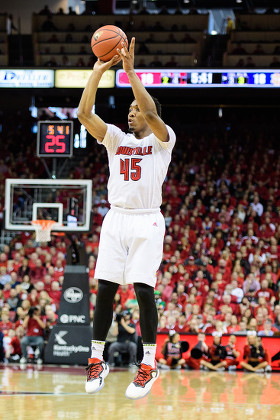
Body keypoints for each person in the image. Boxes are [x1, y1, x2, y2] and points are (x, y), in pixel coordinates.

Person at [77, 37, 176, 400]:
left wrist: (130, 72)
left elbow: (151, 113)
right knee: (104, 288)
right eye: (130, 108)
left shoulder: (164, 139)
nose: (131, 112)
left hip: (147, 220)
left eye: (136, 108)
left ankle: (149, 363)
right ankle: (95, 358)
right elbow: (85, 115)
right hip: (116, 218)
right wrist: (96, 72)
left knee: (142, 290)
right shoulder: (117, 138)